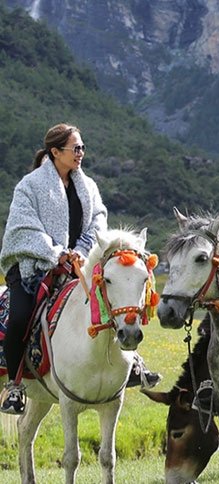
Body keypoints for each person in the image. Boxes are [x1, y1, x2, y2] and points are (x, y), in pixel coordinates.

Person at [0, 124, 160, 415]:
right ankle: (14, 386)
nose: (81, 153)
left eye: (82, 147)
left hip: (78, 264)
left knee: (114, 301)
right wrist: (57, 252)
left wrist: (81, 251)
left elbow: (98, 220)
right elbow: (24, 229)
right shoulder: (29, 186)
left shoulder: (88, 186)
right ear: (55, 152)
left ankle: (132, 362)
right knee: (21, 316)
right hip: (33, 268)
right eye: (76, 148)